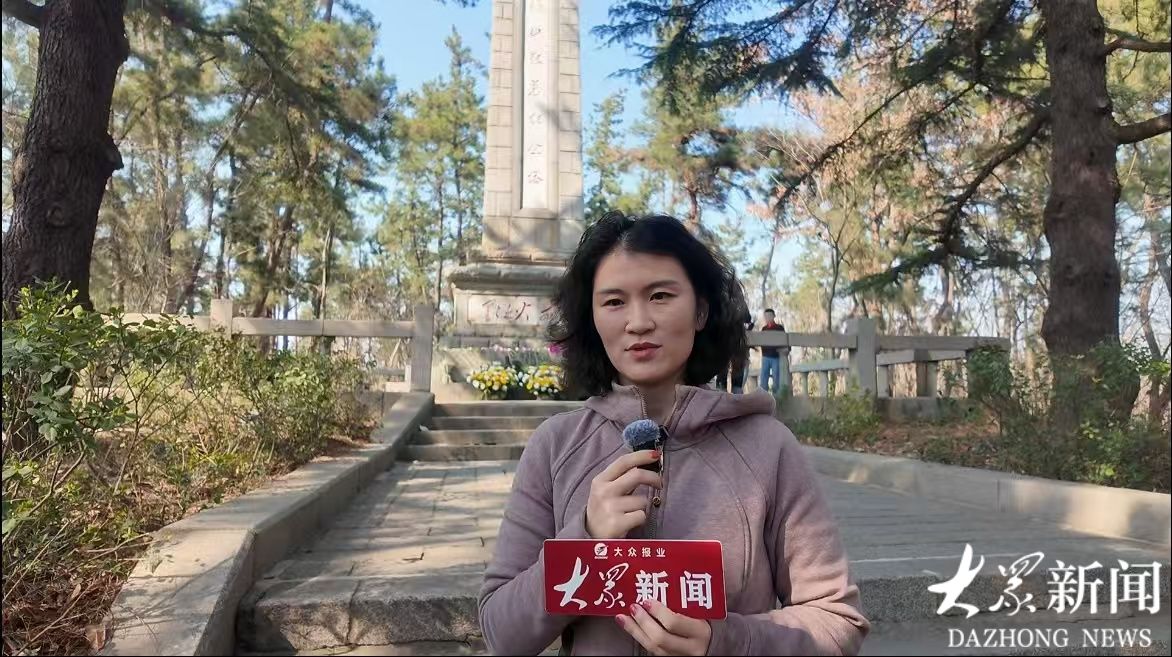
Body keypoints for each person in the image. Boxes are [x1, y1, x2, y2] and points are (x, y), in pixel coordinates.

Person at [478, 211, 869, 656]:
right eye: (613, 302)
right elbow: (501, 633)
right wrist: (584, 537)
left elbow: (838, 622)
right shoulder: (555, 446)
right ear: (592, 319)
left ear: (700, 310)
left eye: (660, 295)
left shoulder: (768, 448)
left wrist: (724, 640)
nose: (638, 322)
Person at [715, 307, 753, 393]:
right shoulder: (721, 306)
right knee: (722, 370)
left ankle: (735, 393)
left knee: (738, 369)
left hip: (738, 342)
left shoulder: (740, 305)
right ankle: (721, 390)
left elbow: (748, 319)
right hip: (723, 341)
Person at [758, 309, 788, 395]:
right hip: (765, 356)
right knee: (764, 378)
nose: (768, 318)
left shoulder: (779, 328)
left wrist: (785, 350)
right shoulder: (764, 329)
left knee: (776, 378)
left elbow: (784, 341)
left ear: (774, 316)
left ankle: (776, 397)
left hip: (776, 357)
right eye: (766, 316)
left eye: (769, 316)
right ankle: (763, 397)